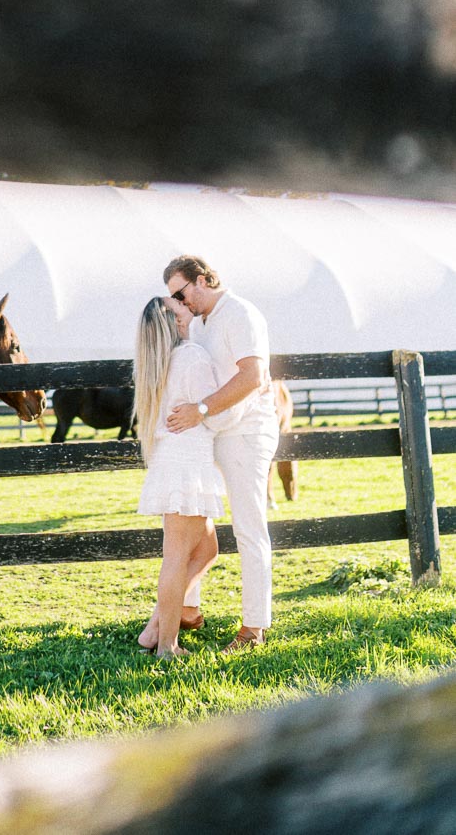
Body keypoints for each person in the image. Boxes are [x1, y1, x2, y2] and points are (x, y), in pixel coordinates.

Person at [163, 255, 278, 652]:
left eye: (180, 292)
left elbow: (254, 376)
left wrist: (201, 409)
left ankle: (254, 628)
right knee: (197, 522)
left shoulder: (240, 314)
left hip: (247, 433)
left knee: (248, 526)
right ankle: (188, 609)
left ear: (204, 279)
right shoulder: (202, 323)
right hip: (214, 432)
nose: (180, 302)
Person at [134, 296, 225, 658]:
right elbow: (213, 414)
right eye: (181, 306)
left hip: (174, 461)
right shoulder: (191, 357)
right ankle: (167, 645)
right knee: (177, 556)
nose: (189, 308)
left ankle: (156, 627)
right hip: (188, 463)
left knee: (206, 549)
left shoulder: (158, 364)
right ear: (174, 320)